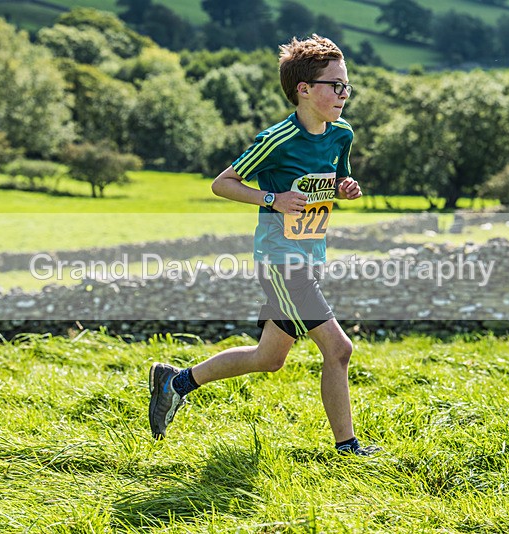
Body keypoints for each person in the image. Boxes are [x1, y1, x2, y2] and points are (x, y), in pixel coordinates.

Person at [148, 34, 380, 456]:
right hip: (280, 261)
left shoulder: (341, 134)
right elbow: (223, 184)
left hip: (309, 256)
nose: (344, 94)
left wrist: (346, 188)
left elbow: (337, 179)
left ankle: (174, 382)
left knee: (269, 357)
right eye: (335, 85)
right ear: (304, 90)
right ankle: (348, 448)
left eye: (347, 85)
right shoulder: (276, 140)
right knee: (340, 349)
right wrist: (272, 198)